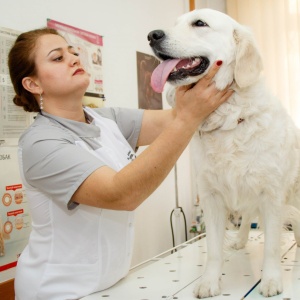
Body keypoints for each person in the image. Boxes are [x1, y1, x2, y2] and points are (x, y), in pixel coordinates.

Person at [8, 27, 233, 300]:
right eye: (57, 58)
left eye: (73, 51)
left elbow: (179, 117)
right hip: (57, 290)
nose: (74, 58)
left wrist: (215, 72)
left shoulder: (106, 120)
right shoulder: (40, 143)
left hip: (111, 283)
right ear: (33, 84)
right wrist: (188, 117)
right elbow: (121, 194)